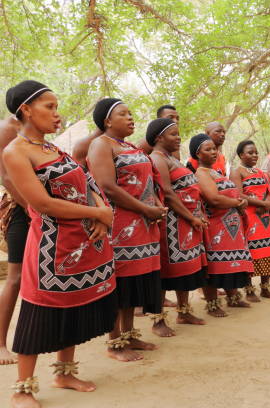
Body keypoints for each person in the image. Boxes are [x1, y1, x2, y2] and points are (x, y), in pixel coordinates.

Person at [3, 80, 117, 408]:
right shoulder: (16, 152)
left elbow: (88, 180)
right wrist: (97, 211)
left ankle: (64, 373)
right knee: (39, 313)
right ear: (25, 109)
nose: (57, 114)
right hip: (51, 249)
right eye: (49, 107)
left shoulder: (54, 149)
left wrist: (102, 211)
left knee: (76, 308)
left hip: (82, 242)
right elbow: (42, 204)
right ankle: (22, 390)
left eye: (56, 106)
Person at [88, 98, 166, 361]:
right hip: (120, 227)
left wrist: (154, 205)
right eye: (124, 114)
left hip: (143, 227)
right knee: (119, 284)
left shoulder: (129, 146)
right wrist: (145, 209)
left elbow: (147, 181)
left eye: (131, 113)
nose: (131, 118)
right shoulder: (100, 145)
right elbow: (107, 187)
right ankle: (114, 344)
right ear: (107, 121)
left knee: (135, 283)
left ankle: (130, 334)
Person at [146, 119, 208, 337]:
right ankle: (158, 320)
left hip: (185, 222)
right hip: (170, 222)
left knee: (187, 267)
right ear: (159, 138)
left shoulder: (173, 158)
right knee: (165, 270)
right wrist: (191, 217)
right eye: (173, 134)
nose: (179, 138)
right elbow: (167, 192)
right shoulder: (157, 158)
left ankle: (183, 311)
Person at [193, 134, 253, 317]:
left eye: (214, 149)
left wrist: (241, 202)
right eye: (208, 149)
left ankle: (232, 297)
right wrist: (237, 203)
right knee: (215, 264)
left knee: (230, 264)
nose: (213, 152)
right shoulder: (201, 173)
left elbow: (232, 194)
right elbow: (214, 199)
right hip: (216, 226)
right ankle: (212, 304)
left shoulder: (216, 172)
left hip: (231, 227)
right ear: (197, 154)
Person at [230, 140, 270, 301]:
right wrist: (261, 203)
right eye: (250, 152)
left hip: (264, 216)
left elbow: (268, 190)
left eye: (256, 152)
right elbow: (238, 194)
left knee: (266, 250)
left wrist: (268, 203)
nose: (254, 155)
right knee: (251, 252)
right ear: (241, 155)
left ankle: (265, 288)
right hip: (249, 217)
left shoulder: (260, 171)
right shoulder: (237, 172)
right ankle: (249, 290)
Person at [0, 114, 25, 365]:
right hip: (20, 210)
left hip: (36, 210)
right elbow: (7, 177)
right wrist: (33, 209)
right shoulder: (7, 129)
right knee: (15, 278)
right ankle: (0, 344)